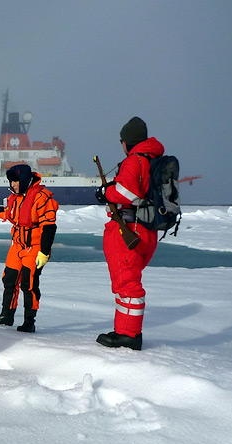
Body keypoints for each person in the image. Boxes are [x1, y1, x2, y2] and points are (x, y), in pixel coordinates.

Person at [93, 117, 165, 350]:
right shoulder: (153, 159)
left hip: (129, 231)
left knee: (128, 284)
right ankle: (124, 331)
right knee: (127, 281)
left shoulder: (135, 161)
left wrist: (106, 192)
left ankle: (129, 336)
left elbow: (127, 192)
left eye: (122, 141)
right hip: (145, 230)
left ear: (127, 141)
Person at [0, 163, 58, 333]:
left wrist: (44, 252)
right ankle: (6, 315)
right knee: (9, 280)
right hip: (17, 246)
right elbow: (8, 212)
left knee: (28, 284)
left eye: (15, 181)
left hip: (35, 247)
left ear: (24, 180)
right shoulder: (16, 197)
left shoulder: (42, 198)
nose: (12, 185)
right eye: (11, 181)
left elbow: (49, 227)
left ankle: (29, 321)